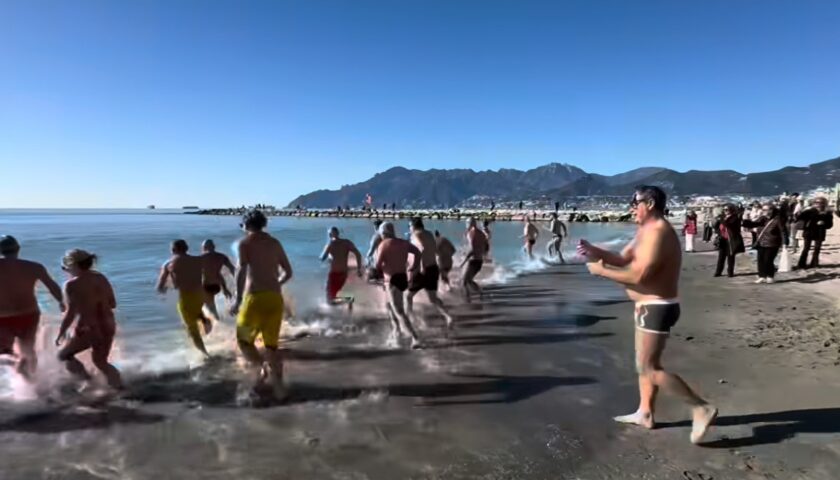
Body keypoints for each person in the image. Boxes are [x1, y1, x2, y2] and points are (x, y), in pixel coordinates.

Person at [579, 186, 717, 445]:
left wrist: (601, 271)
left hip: (657, 307)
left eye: (635, 202)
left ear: (650, 203)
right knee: (643, 365)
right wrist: (595, 251)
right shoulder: (645, 231)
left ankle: (701, 407)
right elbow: (622, 259)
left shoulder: (659, 233)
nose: (631, 207)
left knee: (649, 367)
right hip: (648, 306)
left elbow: (638, 276)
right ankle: (645, 413)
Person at [55, 249, 122, 390]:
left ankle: (88, 382)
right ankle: (119, 388)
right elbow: (113, 303)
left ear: (73, 265)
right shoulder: (101, 277)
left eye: (66, 267)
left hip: (89, 327)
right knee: (101, 362)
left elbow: (70, 314)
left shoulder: (71, 285)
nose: (65, 270)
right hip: (108, 324)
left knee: (63, 355)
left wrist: (61, 332)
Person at [0, 235, 64, 379]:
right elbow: (52, 286)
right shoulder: (34, 267)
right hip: (28, 313)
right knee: (28, 350)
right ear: (18, 249)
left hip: (2, 316)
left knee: (4, 352)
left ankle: (15, 378)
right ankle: (31, 381)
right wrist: (62, 302)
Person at [157, 239, 213, 356]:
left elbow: (160, 287)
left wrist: (166, 288)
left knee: (192, 329)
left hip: (185, 297)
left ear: (173, 250)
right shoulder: (198, 260)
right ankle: (204, 319)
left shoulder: (168, 264)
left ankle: (205, 354)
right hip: (200, 295)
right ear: (186, 248)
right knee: (196, 310)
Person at [375, 222, 423, 348]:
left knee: (399, 311)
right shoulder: (403, 243)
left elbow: (378, 265)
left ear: (383, 233)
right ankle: (397, 331)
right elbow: (418, 253)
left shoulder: (383, 245)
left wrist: (376, 274)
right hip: (402, 278)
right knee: (389, 306)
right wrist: (413, 266)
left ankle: (415, 338)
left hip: (392, 281)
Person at [406, 219, 454, 328]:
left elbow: (421, 249)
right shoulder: (429, 234)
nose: (409, 229)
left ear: (414, 226)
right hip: (433, 268)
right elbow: (435, 251)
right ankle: (448, 316)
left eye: (409, 226)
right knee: (433, 298)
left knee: (408, 296)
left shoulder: (416, 235)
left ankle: (410, 319)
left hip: (424, 270)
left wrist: (421, 266)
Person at [742, 204, 787, 283]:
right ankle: (762, 276)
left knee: (768, 260)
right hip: (761, 242)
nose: (763, 211)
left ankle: (770, 276)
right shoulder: (762, 218)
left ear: (771, 210)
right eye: (763, 209)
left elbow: (783, 231)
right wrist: (745, 221)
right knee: (760, 260)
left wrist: (785, 243)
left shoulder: (778, 219)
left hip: (772, 243)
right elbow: (753, 224)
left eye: (765, 210)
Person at [320, 227, 363, 307]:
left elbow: (322, 258)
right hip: (344, 273)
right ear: (338, 233)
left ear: (330, 235)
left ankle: (348, 300)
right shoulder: (346, 243)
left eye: (329, 234)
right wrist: (359, 268)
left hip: (334, 273)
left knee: (329, 300)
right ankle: (348, 306)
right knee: (335, 295)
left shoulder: (330, 244)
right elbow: (358, 254)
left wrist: (329, 255)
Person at [201, 239, 235, 321]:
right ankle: (226, 318)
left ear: (203, 248)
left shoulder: (201, 258)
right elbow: (232, 269)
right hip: (217, 285)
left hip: (205, 285)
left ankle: (219, 324)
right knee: (209, 305)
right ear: (214, 247)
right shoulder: (222, 257)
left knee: (209, 307)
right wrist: (225, 288)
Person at [796, 197, 834, 269]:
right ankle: (801, 264)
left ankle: (814, 264)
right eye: (816, 203)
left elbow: (830, 225)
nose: (818, 205)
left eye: (820, 203)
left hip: (820, 233)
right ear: (814, 204)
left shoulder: (827, 213)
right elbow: (800, 218)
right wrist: (800, 212)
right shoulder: (809, 211)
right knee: (806, 248)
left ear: (824, 204)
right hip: (809, 232)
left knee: (817, 249)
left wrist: (824, 223)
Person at [712, 204, 745, 277]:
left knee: (730, 256)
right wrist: (716, 221)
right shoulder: (723, 217)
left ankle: (730, 272)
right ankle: (718, 272)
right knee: (721, 257)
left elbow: (728, 225)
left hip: (731, 239)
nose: (725, 211)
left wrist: (721, 219)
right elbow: (717, 226)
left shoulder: (735, 218)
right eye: (724, 210)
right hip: (723, 239)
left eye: (727, 210)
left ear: (731, 210)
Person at [461, 217, 488, 302]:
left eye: (466, 223)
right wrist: (482, 254)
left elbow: (472, 249)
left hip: (473, 260)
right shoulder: (481, 233)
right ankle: (479, 293)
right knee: (468, 280)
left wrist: (464, 261)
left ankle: (468, 299)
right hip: (479, 260)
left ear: (470, 223)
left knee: (464, 281)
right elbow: (486, 247)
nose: (465, 225)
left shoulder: (471, 233)